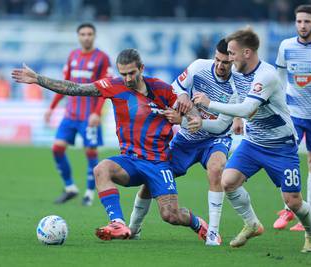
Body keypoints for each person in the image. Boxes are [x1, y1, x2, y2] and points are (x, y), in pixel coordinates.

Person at [12, 48, 208, 241]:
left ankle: (198, 223)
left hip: (158, 163)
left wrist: (190, 119)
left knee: (170, 216)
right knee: (101, 169)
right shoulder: (113, 86)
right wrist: (38, 79)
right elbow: (74, 88)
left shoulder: (161, 88)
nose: (128, 78)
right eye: (123, 74)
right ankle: (117, 223)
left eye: (132, 73)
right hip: (129, 161)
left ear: (141, 68)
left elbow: (191, 113)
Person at [192, 28, 311, 253]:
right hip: (253, 143)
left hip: (281, 146)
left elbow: (248, 106)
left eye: (232, 53)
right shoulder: (237, 73)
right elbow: (240, 103)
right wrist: (236, 118)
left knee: (293, 201)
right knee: (228, 181)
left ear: (247, 53)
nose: (229, 59)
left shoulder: (266, 76)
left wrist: (209, 104)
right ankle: (252, 223)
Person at [127, 39, 245, 246]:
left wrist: (184, 120)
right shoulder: (199, 67)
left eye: (225, 62)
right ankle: (133, 228)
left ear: (233, 61)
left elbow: (219, 127)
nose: (219, 65)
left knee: (216, 169)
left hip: (215, 139)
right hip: (186, 139)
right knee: (152, 176)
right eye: (217, 59)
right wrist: (182, 96)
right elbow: (175, 86)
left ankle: (213, 233)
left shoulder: (237, 86)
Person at [44, 23, 111, 206]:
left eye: (89, 34)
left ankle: (90, 192)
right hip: (71, 114)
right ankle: (70, 188)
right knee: (57, 148)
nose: (86, 37)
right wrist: (52, 107)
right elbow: (63, 85)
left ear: (94, 36)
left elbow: (105, 89)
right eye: (83, 34)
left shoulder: (102, 58)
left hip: (89, 115)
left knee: (90, 152)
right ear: (78, 36)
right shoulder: (72, 56)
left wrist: (97, 113)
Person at [273, 4, 311, 231]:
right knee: (287, 160)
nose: (302, 25)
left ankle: (307, 212)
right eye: (299, 21)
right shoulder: (286, 46)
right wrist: (280, 102)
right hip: (293, 114)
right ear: (295, 22)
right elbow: (280, 75)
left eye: (307, 21)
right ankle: (288, 208)